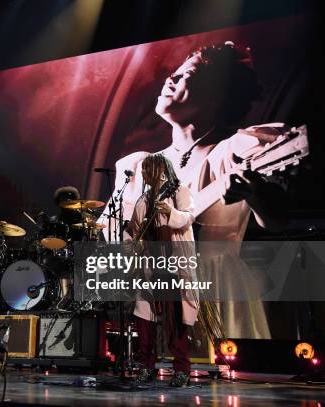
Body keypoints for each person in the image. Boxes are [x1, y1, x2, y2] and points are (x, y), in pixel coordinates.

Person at [99, 42, 289, 339]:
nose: (169, 79)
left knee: (222, 377)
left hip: (215, 283)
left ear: (216, 94)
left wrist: (254, 195)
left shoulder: (234, 150)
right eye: (173, 72)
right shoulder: (138, 165)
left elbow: (277, 222)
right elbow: (112, 235)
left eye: (186, 73)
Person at [125, 153, 197, 387]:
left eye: (147, 169)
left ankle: (182, 371)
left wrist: (169, 211)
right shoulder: (143, 199)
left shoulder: (179, 192)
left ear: (160, 170)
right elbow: (135, 231)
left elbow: (188, 217)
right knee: (144, 321)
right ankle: (146, 367)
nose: (144, 174)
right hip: (150, 267)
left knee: (175, 320)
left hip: (173, 266)